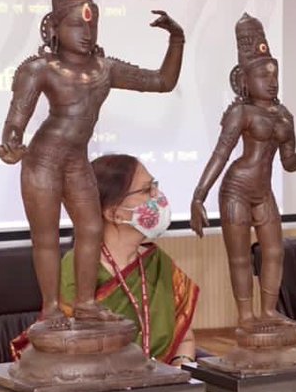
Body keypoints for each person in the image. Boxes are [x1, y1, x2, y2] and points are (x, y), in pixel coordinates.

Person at [0, 0, 184, 330]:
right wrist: (12, 146)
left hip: (76, 160)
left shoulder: (104, 69)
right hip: (43, 160)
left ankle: (84, 303)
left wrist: (176, 39)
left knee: (92, 228)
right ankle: (50, 310)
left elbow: (162, 82)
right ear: (54, 27)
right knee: (46, 236)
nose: (86, 31)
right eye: (75, 24)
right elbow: (15, 123)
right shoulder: (40, 70)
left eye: (91, 22)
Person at [190, 13, 296, 336]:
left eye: (274, 74)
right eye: (262, 75)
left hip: (263, 192)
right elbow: (220, 154)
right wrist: (198, 196)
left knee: (273, 251)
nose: (271, 81)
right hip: (236, 188)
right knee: (238, 258)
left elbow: (288, 163)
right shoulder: (241, 113)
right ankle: (246, 315)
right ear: (244, 81)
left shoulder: (284, 115)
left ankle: (267, 310)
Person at [11, 154, 199, 365]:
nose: (158, 197)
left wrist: (182, 367)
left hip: (159, 388)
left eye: (155, 186)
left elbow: (185, 338)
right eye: (147, 190)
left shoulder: (159, 264)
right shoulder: (75, 270)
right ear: (114, 214)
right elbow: (65, 348)